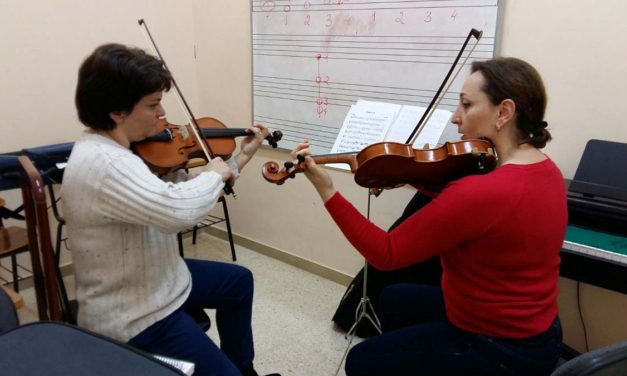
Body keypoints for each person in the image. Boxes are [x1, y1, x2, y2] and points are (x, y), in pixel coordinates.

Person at [291, 57, 566, 375]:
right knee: (395, 298)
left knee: (360, 362)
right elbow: (483, 217)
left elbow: (387, 253)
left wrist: (327, 189)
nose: (455, 118)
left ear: (503, 112)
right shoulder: (545, 170)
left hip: (498, 348)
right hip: (540, 333)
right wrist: (410, 175)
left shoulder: (482, 191)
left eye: (466, 104)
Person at [63, 43, 279, 376]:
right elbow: (178, 210)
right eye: (153, 105)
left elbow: (172, 189)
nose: (163, 115)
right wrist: (217, 171)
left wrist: (239, 159)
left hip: (160, 278)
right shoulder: (107, 164)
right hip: (136, 315)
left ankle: (243, 367)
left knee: (238, 283)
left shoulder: (122, 149)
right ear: (117, 111)